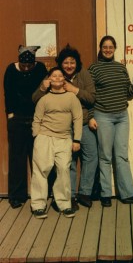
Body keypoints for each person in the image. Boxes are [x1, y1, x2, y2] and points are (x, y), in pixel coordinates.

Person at [32, 44, 99, 210]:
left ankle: (84, 192)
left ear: (77, 63)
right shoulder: (55, 76)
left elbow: (91, 98)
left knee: (91, 156)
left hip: (82, 123)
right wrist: (43, 88)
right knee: (68, 163)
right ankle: (70, 196)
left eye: (72, 62)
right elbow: (36, 100)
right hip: (60, 130)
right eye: (66, 63)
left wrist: (74, 90)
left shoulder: (84, 74)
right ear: (60, 64)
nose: (69, 66)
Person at [88, 35, 133, 207]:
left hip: (122, 116)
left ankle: (128, 193)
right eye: (104, 47)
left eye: (111, 47)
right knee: (105, 155)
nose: (108, 50)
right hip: (103, 116)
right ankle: (106, 194)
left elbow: (128, 93)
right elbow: (90, 96)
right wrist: (91, 116)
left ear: (115, 48)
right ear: (100, 49)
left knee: (122, 155)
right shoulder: (94, 68)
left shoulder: (121, 67)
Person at [31, 67, 83, 219]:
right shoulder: (44, 98)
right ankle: (38, 205)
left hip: (64, 138)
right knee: (41, 170)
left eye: (60, 76)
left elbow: (78, 118)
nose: (58, 78)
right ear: (49, 79)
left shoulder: (71, 98)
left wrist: (77, 139)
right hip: (44, 138)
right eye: (54, 76)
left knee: (63, 169)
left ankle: (64, 204)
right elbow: (37, 119)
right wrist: (37, 137)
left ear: (64, 79)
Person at [3, 45, 48, 209]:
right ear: (19, 61)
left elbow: (45, 93)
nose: (27, 68)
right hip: (18, 119)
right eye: (24, 65)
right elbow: (8, 92)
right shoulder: (11, 70)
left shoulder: (41, 68)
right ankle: (17, 195)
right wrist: (11, 114)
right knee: (17, 158)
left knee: (39, 158)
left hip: (36, 118)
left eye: (29, 65)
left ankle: (42, 193)